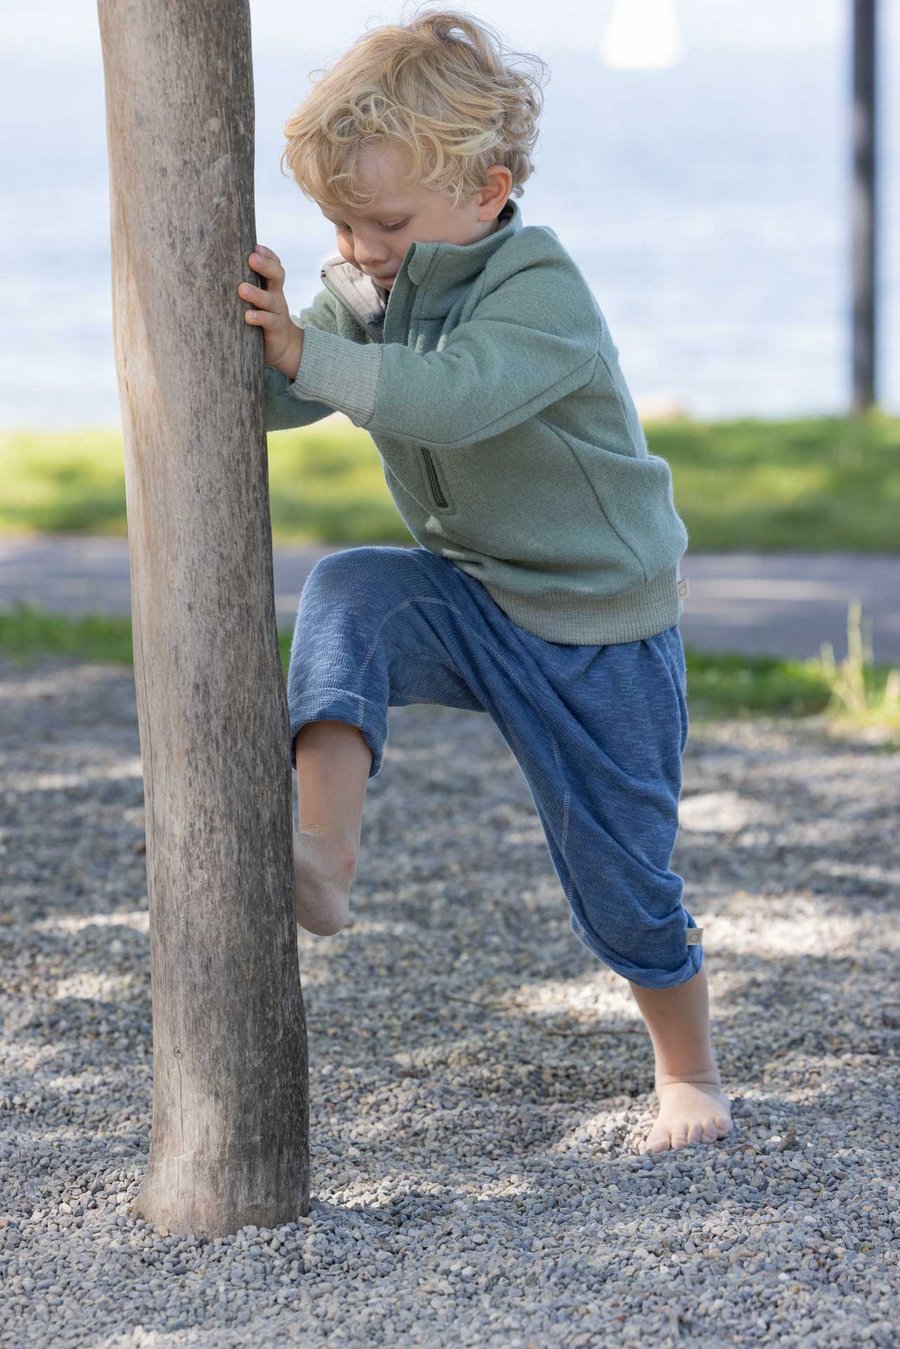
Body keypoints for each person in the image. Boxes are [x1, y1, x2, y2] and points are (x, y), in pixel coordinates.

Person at [235, 5, 732, 1156]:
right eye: (340, 224)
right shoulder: (370, 283)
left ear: (490, 188)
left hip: (599, 628)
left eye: (385, 222)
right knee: (351, 589)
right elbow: (282, 396)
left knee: (622, 874)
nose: (359, 248)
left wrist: (319, 354)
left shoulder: (537, 287)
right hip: (475, 595)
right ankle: (326, 848)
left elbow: (451, 393)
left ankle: (689, 1067)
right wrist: (253, 331)